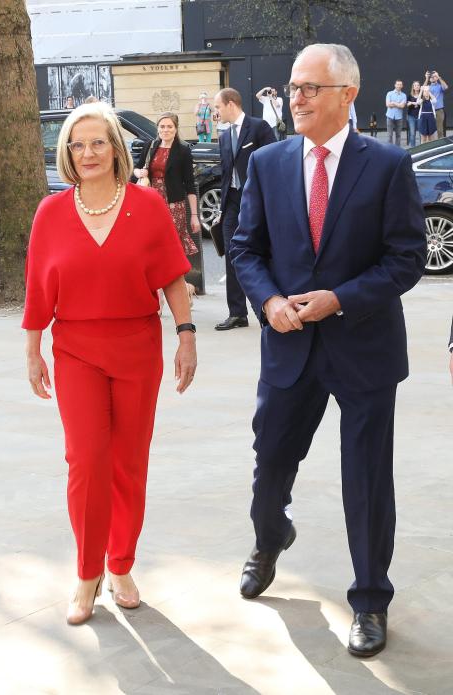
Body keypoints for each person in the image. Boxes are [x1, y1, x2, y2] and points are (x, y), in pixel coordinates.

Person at [230, 43, 426, 659]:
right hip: (288, 344)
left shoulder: (389, 165)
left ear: (347, 95)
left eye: (310, 88)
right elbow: (245, 250)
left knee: (366, 479)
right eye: (293, 88)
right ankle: (270, 536)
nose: (297, 99)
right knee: (270, 465)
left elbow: (406, 258)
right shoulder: (268, 163)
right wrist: (267, 303)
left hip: (363, 346)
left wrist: (338, 299)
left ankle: (369, 599)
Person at [22, 102, 197, 626]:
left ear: (116, 149)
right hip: (75, 349)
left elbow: (172, 277)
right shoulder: (49, 213)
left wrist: (186, 336)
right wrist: (32, 350)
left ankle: (120, 565)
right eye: (77, 145)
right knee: (86, 461)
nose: (88, 152)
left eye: (98, 142)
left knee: (128, 463)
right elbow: (37, 290)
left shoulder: (146, 205)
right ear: (66, 155)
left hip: (137, 345)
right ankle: (85, 573)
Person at [212, 87, 276, 331]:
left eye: (218, 107)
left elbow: (273, 162)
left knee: (261, 253)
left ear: (231, 104)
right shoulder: (224, 136)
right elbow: (226, 174)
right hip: (231, 203)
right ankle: (237, 313)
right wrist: (221, 207)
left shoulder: (259, 128)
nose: (216, 112)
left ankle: (266, 305)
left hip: (256, 200)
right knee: (232, 254)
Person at [132, 111, 201, 296]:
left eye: (170, 126)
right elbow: (136, 169)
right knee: (152, 246)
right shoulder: (151, 145)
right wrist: (139, 173)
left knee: (173, 248)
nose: (165, 130)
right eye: (162, 126)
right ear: (157, 128)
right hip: (151, 202)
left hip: (174, 206)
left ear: (176, 128)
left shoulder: (183, 150)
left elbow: (190, 184)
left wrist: (194, 216)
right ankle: (160, 293)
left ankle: (182, 287)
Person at [426, 70, 447, 137]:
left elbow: (445, 87)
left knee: (439, 129)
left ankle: (440, 144)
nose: (432, 78)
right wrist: (426, 78)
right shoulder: (428, 87)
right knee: (430, 129)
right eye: (431, 77)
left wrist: (439, 77)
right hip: (430, 110)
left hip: (439, 110)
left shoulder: (440, 86)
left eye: (434, 76)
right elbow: (422, 89)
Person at [385, 80, 407, 147]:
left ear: (402, 86)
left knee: (398, 135)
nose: (399, 86)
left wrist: (394, 103)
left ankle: (397, 150)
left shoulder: (404, 95)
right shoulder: (389, 93)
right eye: (397, 84)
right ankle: (390, 149)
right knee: (389, 135)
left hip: (399, 117)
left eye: (400, 85)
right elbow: (388, 104)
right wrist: (398, 104)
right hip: (390, 116)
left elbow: (402, 106)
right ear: (395, 85)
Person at [407, 81, 421, 147]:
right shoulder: (410, 95)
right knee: (412, 133)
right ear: (413, 87)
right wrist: (413, 103)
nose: (417, 86)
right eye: (415, 85)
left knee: (421, 133)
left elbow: (422, 103)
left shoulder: (422, 95)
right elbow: (407, 104)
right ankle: (413, 148)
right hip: (411, 116)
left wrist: (412, 103)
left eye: (418, 85)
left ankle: (422, 148)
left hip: (420, 116)